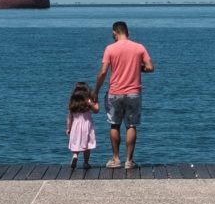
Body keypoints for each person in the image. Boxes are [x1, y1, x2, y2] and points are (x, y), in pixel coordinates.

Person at [96, 20, 154, 170]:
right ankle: (129, 160)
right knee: (131, 125)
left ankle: (116, 159)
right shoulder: (139, 48)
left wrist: (95, 91)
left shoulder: (110, 49)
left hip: (115, 92)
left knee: (114, 124)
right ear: (128, 32)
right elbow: (150, 68)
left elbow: (103, 72)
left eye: (112, 34)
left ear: (115, 32)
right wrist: (138, 67)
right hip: (134, 92)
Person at [65, 81, 100, 174]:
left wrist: (68, 128)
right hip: (87, 125)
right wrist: (94, 102)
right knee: (87, 145)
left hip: (75, 126)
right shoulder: (88, 101)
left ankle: (75, 155)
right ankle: (86, 162)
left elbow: (69, 117)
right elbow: (96, 110)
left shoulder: (73, 103)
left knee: (76, 142)